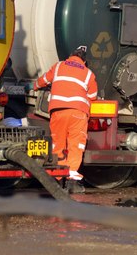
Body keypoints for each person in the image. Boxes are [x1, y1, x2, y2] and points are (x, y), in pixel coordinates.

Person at [34, 45, 98, 194]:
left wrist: (34, 86)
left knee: (58, 144)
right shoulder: (88, 73)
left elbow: (43, 80)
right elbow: (93, 96)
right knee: (76, 145)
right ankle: (72, 181)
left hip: (57, 111)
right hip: (78, 113)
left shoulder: (58, 66)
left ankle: (57, 179)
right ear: (84, 61)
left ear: (70, 56)